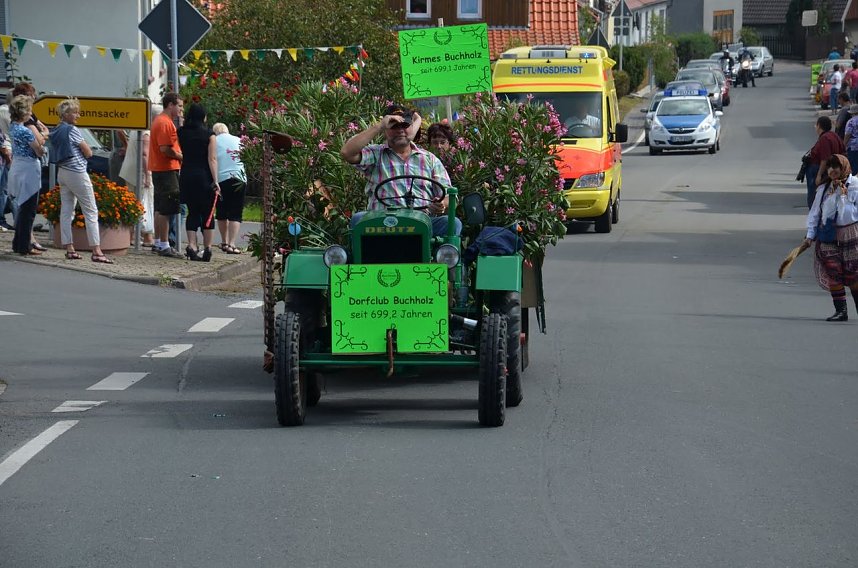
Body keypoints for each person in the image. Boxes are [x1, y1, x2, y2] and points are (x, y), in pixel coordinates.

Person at [340, 104, 459, 237]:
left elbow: (449, 195)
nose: (400, 130)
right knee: (358, 219)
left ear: (411, 128)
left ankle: (440, 257)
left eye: (404, 125)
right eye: (394, 126)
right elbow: (347, 152)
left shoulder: (429, 159)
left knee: (453, 223)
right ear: (386, 130)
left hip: (422, 222)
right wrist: (379, 126)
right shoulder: (375, 154)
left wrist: (441, 203)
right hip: (382, 222)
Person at [52, 98, 114, 264]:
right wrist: (85, 146)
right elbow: (88, 153)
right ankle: (96, 250)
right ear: (66, 114)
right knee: (91, 210)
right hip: (77, 172)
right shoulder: (72, 129)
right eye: (75, 112)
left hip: (62, 172)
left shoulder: (57, 129)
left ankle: (69, 248)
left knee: (66, 211)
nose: (78, 115)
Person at [804, 154, 858, 321]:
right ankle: (841, 311)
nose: (832, 170)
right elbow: (815, 214)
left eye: (836, 166)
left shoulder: (855, 186)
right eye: (830, 167)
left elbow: (851, 212)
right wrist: (809, 235)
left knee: (854, 275)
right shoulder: (823, 189)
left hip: (852, 235)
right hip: (828, 236)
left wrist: (844, 196)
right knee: (833, 271)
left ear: (844, 167)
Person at [177, 103, 219, 262]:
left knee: (192, 211)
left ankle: (192, 245)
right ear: (203, 117)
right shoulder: (209, 134)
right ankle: (207, 248)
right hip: (204, 177)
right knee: (208, 212)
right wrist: (216, 180)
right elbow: (212, 159)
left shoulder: (181, 133)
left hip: (187, 175)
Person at [6, 95, 45, 256]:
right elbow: (38, 150)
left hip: (17, 167)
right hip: (29, 169)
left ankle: (18, 243)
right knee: (28, 210)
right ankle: (24, 246)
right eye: (29, 110)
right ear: (23, 112)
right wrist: (44, 140)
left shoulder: (13, 128)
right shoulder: (26, 131)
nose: (31, 113)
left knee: (22, 208)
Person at [148, 92, 184, 258]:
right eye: (179, 106)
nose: (181, 109)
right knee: (167, 208)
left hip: (159, 168)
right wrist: (180, 156)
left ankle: (158, 242)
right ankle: (164, 244)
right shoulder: (165, 122)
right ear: (171, 105)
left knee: (160, 207)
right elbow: (165, 149)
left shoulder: (160, 121)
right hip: (166, 168)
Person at [119, 106, 159, 247]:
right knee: (145, 202)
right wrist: (148, 175)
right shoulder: (147, 132)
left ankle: (130, 236)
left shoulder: (136, 129)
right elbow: (145, 154)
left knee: (133, 203)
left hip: (129, 170)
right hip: (140, 172)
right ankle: (147, 237)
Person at [212, 122, 246, 254]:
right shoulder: (238, 140)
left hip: (221, 179)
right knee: (236, 212)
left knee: (221, 211)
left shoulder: (213, 141)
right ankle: (232, 244)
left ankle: (224, 241)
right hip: (239, 178)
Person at [807, 116, 846, 208]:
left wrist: (819, 175)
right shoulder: (834, 135)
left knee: (815, 196)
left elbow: (824, 158)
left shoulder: (825, 138)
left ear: (819, 126)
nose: (815, 127)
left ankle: (815, 214)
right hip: (833, 168)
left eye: (816, 125)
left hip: (820, 169)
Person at [842, 104, 858, 172]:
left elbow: (847, 134)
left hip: (853, 147)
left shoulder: (851, 122)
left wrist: (843, 146)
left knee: (854, 167)